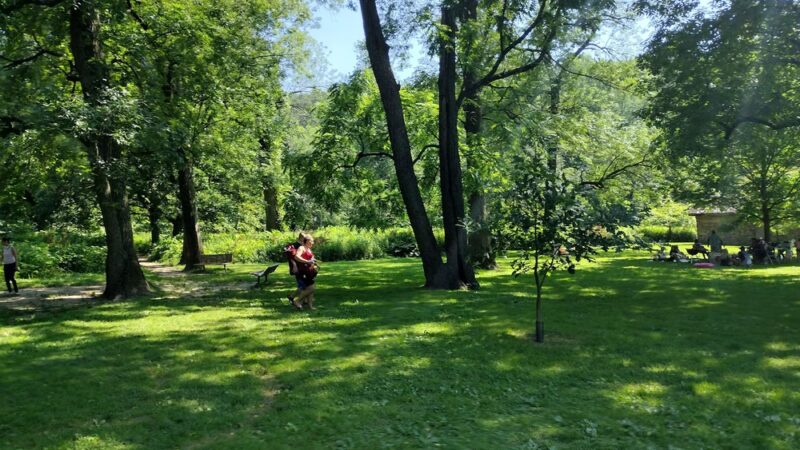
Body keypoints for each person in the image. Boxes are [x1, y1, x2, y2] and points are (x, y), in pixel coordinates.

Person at [291, 234, 318, 310]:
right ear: (308, 241)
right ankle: (297, 301)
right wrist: (307, 261)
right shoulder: (302, 248)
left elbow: (311, 260)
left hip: (309, 272)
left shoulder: (309, 249)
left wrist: (314, 265)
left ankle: (310, 306)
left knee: (310, 288)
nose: (313, 242)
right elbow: (296, 257)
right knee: (311, 288)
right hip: (303, 272)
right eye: (312, 241)